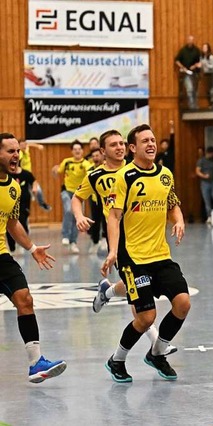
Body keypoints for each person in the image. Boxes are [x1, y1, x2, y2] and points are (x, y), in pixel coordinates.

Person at [72, 130, 177, 355]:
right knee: (137, 291)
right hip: (120, 239)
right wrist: (79, 216)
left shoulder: (137, 169)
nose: (119, 148)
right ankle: (155, 338)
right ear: (102, 151)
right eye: (113, 145)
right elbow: (77, 198)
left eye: (121, 143)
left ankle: (107, 293)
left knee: (136, 286)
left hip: (143, 237)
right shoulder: (96, 175)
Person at [101, 124, 190, 383]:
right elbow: (114, 216)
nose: (151, 144)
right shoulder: (124, 176)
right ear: (132, 148)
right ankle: (116, 359)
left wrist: (179, 220)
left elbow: (172, 204)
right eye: (144, 141)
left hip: (160, 254)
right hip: (133, 257)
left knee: (183, 303)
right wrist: (113, 251)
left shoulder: (165, 175)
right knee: (146, 317)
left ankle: (157, 353)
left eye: (153, 140)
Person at [0, 132, 65, 383]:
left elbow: (12, 222)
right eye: (10, 151)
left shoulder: (14, 187)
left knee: (24, 299)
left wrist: (31, 247)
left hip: (2, 256)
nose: (16, 155)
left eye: (18, 150)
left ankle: (36, 363)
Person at [53, 140, 91, 254]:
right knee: (69, 210)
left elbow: (90, 173)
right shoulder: (67, 162)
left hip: (79, 194)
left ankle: (73, 242)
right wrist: (54, 171)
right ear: (72, 151)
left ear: (82, 151)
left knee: (77, 217)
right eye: (75, 149)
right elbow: (58, 170)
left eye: (79, 149)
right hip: (66, 191)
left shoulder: (85, 164)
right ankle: (65, 236)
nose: (77, 151)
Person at [18, 140, 50, 211]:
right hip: (22, 176)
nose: (24, 146)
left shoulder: (26, 149)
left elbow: (29, 144)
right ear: (18, 146)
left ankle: (42, 203)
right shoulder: (19, 153)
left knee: (38, 190)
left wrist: (38, 146)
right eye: (22, 145)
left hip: (29, 175)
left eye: (25, 145)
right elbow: (18, 161)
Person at [196, 146, 213, 223]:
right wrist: (204, 176)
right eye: (212, 153)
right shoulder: (201, 160)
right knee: (207, 201)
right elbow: (197, 171)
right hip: (205, 183)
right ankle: (209, 217)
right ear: (208, 153)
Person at [175, 35, 201, 109]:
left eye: (191, 40)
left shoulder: (196, 50)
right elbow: (177, 60)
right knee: (189, 89)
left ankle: (195, 105)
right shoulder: (183, 50)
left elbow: (200, 61)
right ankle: (191, 106)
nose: (190, 41)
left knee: (195, 90)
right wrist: (182, 67)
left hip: (195, 73)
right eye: (189, 40)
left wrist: (195, 66)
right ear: (187, 40)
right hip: (186, 73)